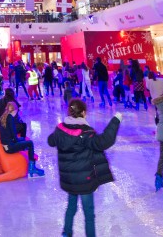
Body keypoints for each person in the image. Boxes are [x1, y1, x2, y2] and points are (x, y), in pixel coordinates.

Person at [48, 99, 122, 237]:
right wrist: (115, 121)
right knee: (89, 213)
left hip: (68, 179)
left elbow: (51, 141)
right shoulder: (86, 133)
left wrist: (58, 133)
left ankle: (66, 233)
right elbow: (103, 142)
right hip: (84, 180)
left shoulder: (60, 129)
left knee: (71, 207)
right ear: (83, 113)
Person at [0, 101, 45, 177]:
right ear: (15, 110)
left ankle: (30, 163)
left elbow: (7, 134)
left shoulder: (4, 116)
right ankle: (32, 168)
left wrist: (21, 140)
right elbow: (15, 137)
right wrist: (21, 141)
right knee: (30, 143)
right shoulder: (10, 118)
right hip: (10, 146)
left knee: (25, 141)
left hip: (7, 144)